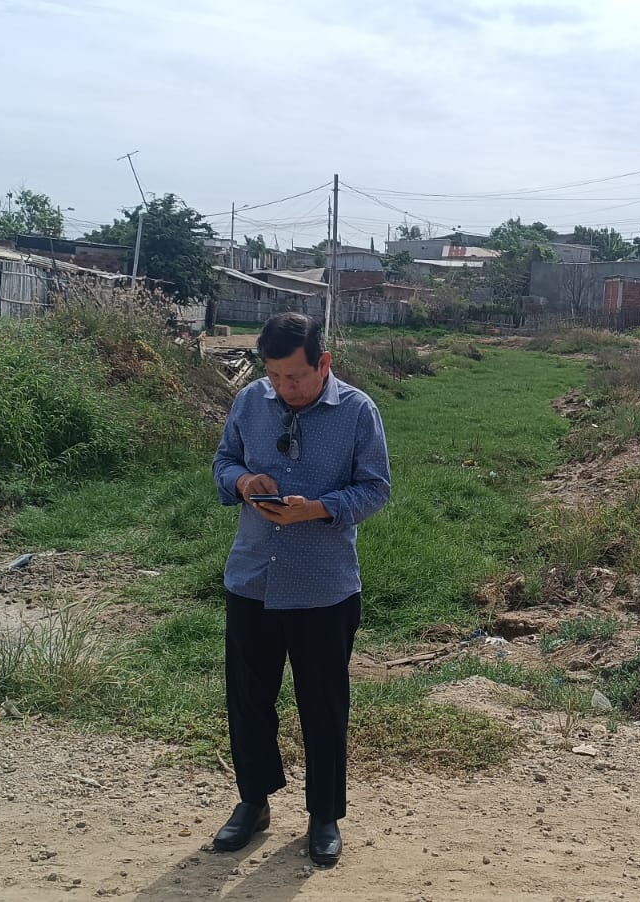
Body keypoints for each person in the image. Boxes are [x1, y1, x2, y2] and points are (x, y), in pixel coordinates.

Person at [209, 312, 392, 867]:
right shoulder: (251, 401)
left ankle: (324, 815)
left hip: (324, 588)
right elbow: (223, 462)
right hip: (253, 578)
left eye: (295, 376)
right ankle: (253, 801)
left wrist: (317, 509)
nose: (284, 388)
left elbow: (375, 489)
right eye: (275, 376)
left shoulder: (357, 411)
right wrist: (244, 482)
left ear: (323, 363)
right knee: (248, 699)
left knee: (323, 704)